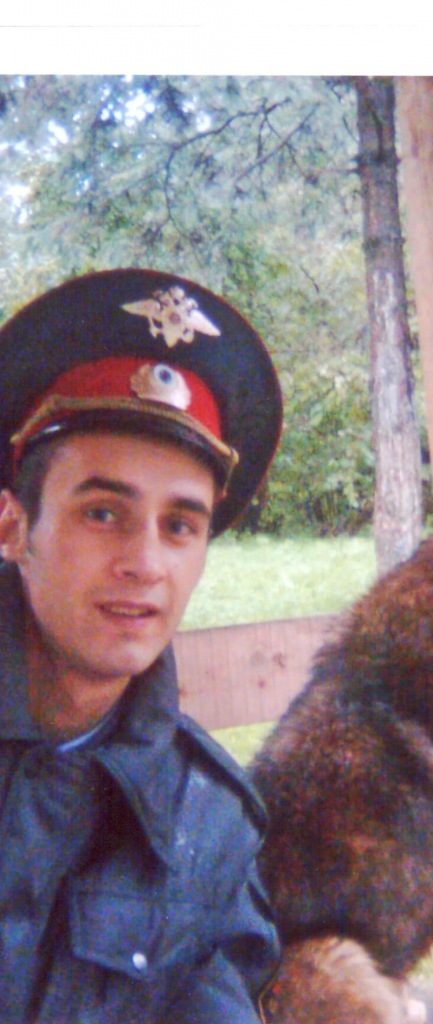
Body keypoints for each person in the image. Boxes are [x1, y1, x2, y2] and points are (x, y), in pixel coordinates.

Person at [0, 269, 283, 1023]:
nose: (146, 563)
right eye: (102, 512)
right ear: (13, 527)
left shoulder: (207, 821)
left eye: (180, 525)